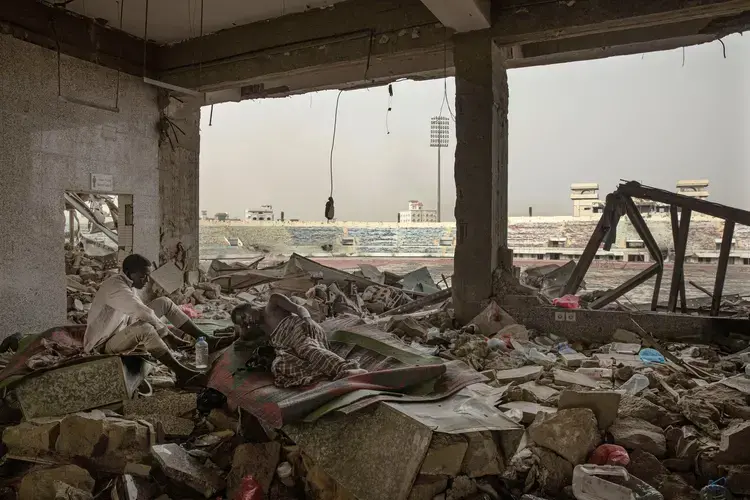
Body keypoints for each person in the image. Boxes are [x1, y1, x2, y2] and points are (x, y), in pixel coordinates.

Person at [84, 254, 229, 386]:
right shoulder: (115, 287)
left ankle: (205, 339)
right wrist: (166, 334)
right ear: (129, 273)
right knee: (145, 329)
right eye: (143, 276)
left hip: (121, 331)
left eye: (148, 276)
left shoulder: (128, 284)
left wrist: (163, 330)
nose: (147, 281)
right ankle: (183, 374)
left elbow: (140, 312)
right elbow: (141, 311)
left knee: (164, 302)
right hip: (103, 345)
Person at [231, 294, 366, 388]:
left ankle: (347, 369)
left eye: (244, 316)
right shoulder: (258, 327)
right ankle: (324, 375)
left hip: (299, 328)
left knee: (306, 349)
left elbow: (299, 308)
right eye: (243, 322)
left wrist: (308, 320)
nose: (246, 321)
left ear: (249, 306)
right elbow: (243, 337)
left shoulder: (273, 302)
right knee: (280, 366)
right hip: (285, 344)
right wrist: (242, 326)